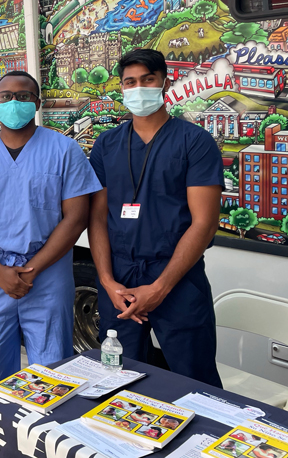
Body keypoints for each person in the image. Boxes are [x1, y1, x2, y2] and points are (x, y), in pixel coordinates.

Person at [0, 71, 101, 398]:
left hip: (48, 274)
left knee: (51, 369)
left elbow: (76, 218)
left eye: (22, 96)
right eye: (5, 97)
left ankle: (42, 441)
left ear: (36, 103)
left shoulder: (64, 150)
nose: (13, 102)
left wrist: (32, 270)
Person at [88, 49, 224, 387]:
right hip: (119, 281)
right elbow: (97, 218)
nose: (138, 89)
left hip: (177, 280)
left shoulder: (194, 142)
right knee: (118, 377)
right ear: (121, 88)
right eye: (130, 82)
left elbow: (203, 223)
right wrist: (107, 282)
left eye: (147, 80)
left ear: (164, 81)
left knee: (195, 381)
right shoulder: (107, 145)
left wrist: (160, 287)